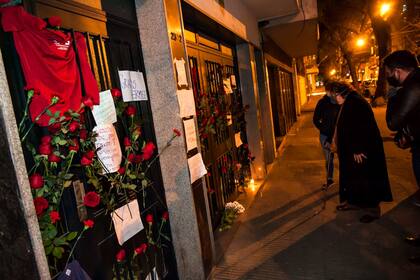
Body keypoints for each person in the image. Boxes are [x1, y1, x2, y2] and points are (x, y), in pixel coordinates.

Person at [330, 82, 393, 223]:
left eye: (335, 95)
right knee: (354, 178)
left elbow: (362, 127)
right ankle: (354, 201)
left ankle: (372, 210)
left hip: (362, 151)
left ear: (342, 93)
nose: (334, 98)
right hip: (351, 150)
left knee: (366, 179)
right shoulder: (349, 101)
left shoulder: (356, 103)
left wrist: (358, 149)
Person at [383, 50, 420, 263]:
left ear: (397, 71)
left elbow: (393, 121)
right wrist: (408, 134)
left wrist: (393, 96)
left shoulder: (413, 86)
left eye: (388, 72)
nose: (387, 76)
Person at [313, 81, 340, 188]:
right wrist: (324, 129)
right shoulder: (322, 102)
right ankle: (330, 179)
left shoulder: (340, 101)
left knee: (343, 158)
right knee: (329, 159)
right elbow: (315, 119)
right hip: (325, 135)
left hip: (339, 135)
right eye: (329, 91)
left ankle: (347, 182)